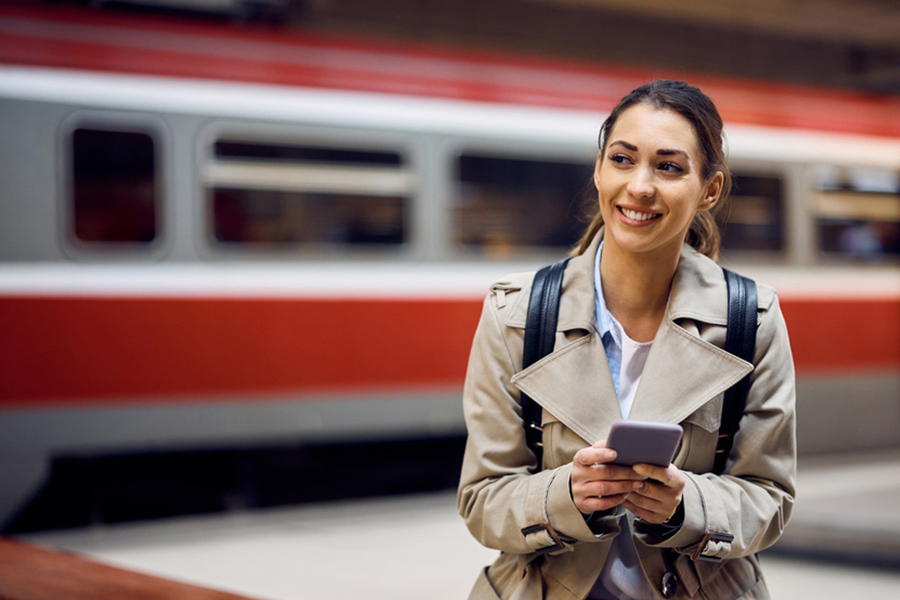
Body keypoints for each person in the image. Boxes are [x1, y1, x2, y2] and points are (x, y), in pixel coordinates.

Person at [457, 80, 796, 600]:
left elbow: (768, 498)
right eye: (622, 159)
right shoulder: (517, 315)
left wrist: (687, 506)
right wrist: (566, 494)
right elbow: (482, 501)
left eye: (669, 166)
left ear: (710, 190)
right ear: (598, 169)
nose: (640, 186)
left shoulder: (752, 320)